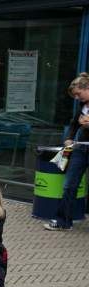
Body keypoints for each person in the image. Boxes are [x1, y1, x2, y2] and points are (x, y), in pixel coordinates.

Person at [44, 73, 89, 231]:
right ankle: (63, 221)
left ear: (87, 88)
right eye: (75, 95)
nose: (77, 97)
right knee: (70, 184)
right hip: (81, 148)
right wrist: (69, 138)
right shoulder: (82, 107)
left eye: (78, 94)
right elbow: (74, 125)